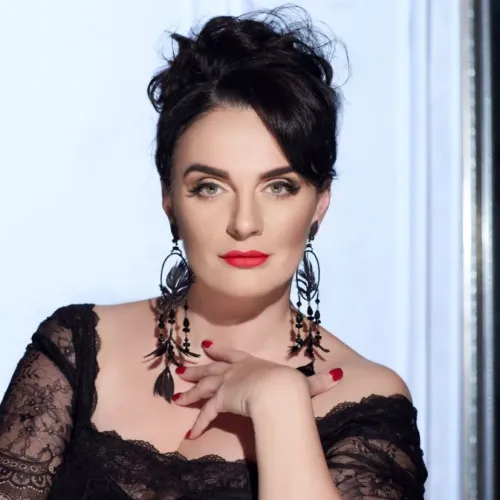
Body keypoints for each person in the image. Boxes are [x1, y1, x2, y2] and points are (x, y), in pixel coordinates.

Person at [0, 5, 427, 500]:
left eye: (279, 187)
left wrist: (279, 402)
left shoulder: (368, 402)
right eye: (210, 187)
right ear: (169, 199)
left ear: (320, 203)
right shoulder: (76, 348)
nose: (244, 223)